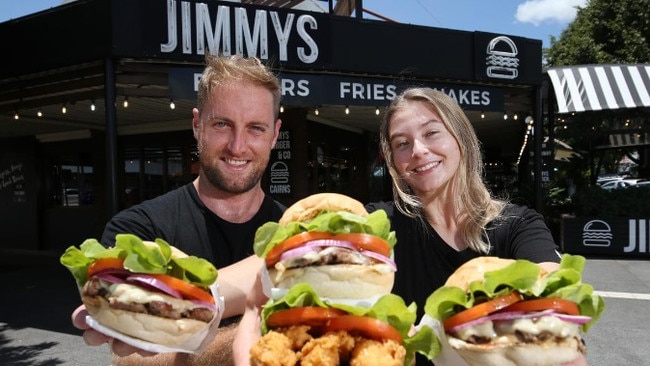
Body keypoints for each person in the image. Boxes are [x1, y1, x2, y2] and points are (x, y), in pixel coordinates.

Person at [232, 87, 586, 365]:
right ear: (393, 162)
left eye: (432, 133)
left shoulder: (520, 226)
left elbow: (554, 303)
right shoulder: (374, 228)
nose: (418, 150)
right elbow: (259, 283)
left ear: (461, 139)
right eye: (402, 144)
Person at [71, 54, 283, 366]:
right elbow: (131, 359)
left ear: (275, 134)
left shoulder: (296, 232)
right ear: (197, 125)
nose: (238, 146)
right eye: (222, 124)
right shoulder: (139, 229)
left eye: (255, 128)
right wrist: (259, 339)